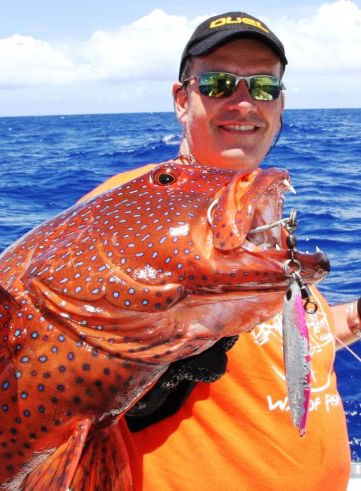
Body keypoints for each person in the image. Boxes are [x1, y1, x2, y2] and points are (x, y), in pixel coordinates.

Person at [81, 12, 359, 490]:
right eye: (218, 83)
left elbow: (281, 342)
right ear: (181, 99)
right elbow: (74, 377)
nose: (244, 101)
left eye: (264, 87)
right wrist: (148, 386)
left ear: (281, 104)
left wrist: (351, 318)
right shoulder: (130, 209)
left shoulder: (254, 210)